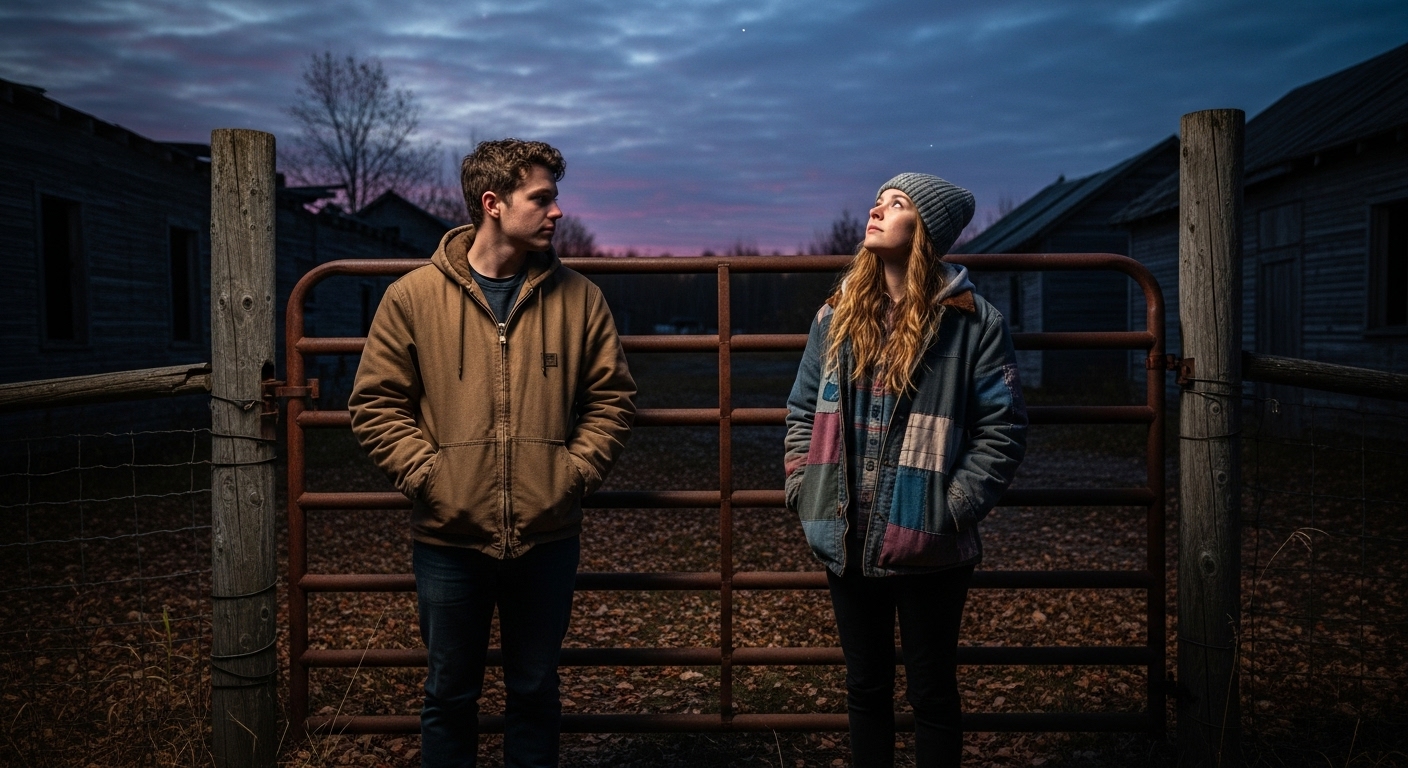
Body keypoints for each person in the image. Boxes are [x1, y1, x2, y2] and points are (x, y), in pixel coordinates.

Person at [349, 139, 636, 767]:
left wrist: (571, 474)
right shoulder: (413, 298)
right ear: (494, 204)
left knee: (534, 694)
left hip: (547, 536)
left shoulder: (581, 299)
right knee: (449, 696)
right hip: (450, 540)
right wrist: (433, 478)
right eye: (543, 197)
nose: (557, 211)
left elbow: (611, 401)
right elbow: (375, 406)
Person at [783, 173, 1027, 767]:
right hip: (846, 533)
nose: (876, 210)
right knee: (865, 690)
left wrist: (951, 508)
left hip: (930, 543)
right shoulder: (835, 316)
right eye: (878, 200)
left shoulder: (974, 323)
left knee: (932, 694)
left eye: (897, 204)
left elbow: (1003, 429)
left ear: (926, 231)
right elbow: (800, 409)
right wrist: (802, 487)